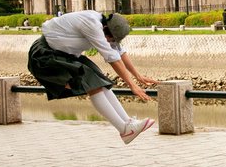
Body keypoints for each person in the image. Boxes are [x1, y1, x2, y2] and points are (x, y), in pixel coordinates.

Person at [27, 11, 157, 144]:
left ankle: (128, 123)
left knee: (100, 81)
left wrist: (138, 76)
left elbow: (119, 51)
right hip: (45, 55)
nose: (110, 42)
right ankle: (124, 130)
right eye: (110, 39)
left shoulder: (107, 27)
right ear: (106, 30)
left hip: (64, 54)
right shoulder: (92, 24)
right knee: (91, 82)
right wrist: (132, 85)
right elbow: (112, 57)